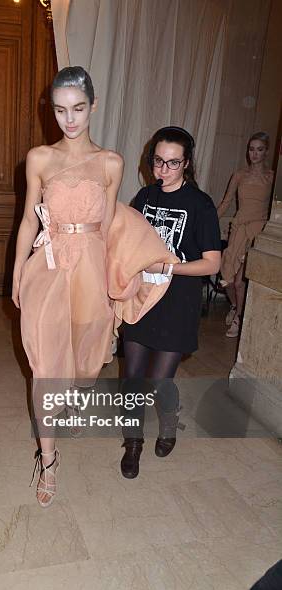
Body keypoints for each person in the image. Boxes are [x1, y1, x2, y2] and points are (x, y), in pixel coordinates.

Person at [12, 67, 177, 507]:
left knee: (85, 361)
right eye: (61, 110)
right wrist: (15, 271)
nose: (70, 120)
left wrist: (119, 279)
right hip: (47, 268)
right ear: (53, 109)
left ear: (93, 107)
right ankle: (48, 460)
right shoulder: (39, 158)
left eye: (79, 109)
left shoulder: (111, 162)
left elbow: (107, 229)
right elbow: (30, 218)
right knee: (45, 365)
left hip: (89, 272)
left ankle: (72, 395)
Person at [120, 126, 222, 479]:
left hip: (178, 303)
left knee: (159, 381)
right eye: (158, 161)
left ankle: (168, 417)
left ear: (187, 163)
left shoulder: (201, 204)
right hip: (141, 299)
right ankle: (133, 444)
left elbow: (212, 263)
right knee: (132, 378)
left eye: (172, 163)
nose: (163, 170)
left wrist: (167, 265)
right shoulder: (144, 197)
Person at [217, 132, 274, 338]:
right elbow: (226, 202)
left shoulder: (272, 177)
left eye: (259, 149)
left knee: (241, 281)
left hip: (259, 232)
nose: (255, 154)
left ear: (266, 151)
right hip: (239, 230)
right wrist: (208, 221)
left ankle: (239, 319)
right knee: (229, 281)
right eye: (251, 149)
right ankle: (234, 306)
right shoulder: (239, 175)